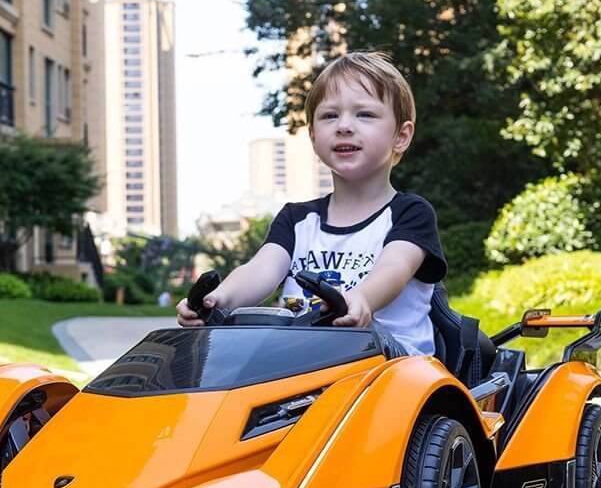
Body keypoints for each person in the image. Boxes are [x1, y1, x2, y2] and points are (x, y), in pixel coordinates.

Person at [177, 50, 447, 356]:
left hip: (394, 370)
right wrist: (218, 298)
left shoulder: (410, 213)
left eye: (365, 114)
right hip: (308, 365)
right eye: (330, 115)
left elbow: (394, 267)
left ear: (401, 136)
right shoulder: (296, 219)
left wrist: (362, 299)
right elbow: (261, 270)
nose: (344, 125)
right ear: (313, 135)